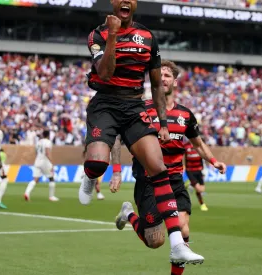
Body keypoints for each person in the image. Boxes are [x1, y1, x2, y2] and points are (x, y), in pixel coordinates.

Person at [78, 1, 203, 264]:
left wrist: (164, 123)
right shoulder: (97, 34)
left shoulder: (147, 37)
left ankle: (178, 244)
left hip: (134, 106)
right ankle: (90, 175)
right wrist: (113, 34)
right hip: (106, 104)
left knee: (159, 168)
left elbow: (156, 84)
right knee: (97, 162)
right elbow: (106, 71)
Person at [111, 60, 227, 272]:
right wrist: (116, 171)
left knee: (183, 227)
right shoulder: (140, 110)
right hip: (148, 181)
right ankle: (128, 213)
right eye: (159, 75)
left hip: (174, 180)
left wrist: (213, 161)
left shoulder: (185, 115)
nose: (162, 79)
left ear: (175, 80)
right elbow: (117, 138)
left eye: (166, 75)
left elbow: (198, 144)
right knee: (154, 241)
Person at [24, 130, 59, 202]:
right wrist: (52, 162)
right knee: (51, 178)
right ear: (48, 135)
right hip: (45, 162)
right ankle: (51, 196)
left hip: (37, 161)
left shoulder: (38, 142)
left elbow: (36, 152)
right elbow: (47, 152)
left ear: (43, 135)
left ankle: (27, 193)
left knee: (35, 180)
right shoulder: (48, 142)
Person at [183, 138, 208, 211]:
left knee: (202, 189)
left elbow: (203, 158)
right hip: (190, 170)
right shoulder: (186, 146)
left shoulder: (199, 145)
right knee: (199, 189)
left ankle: (189, 184)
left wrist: (203, 169)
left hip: (199, 170)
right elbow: (182, 157)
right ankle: (202, 204)